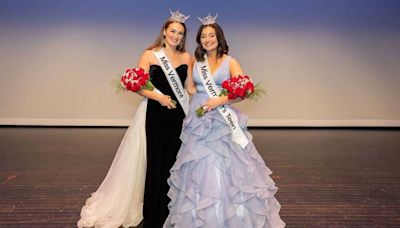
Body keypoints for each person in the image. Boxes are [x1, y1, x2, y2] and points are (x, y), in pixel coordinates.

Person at [163, 15, 286, 227]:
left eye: (212, 35)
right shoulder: (197, 61)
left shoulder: (231, 61)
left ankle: (228, 215)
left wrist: (220, 99)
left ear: (219, 37)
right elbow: (191, 88)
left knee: (225, 163)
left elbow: (244, 91)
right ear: (199, 40)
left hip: (221, 117)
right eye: (203, 36)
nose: (208, 39)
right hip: (199, 117)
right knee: (198, 163)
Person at [77, 10, 195, 228]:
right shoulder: (150, 54)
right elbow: (139, 86)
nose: (176, 36)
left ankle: (171, 210)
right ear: (164, 32)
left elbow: (189, 88)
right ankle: (153, 214)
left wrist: (213, 94)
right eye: (173, 31)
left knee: (174, 163)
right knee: (155, 162)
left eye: (180, 33)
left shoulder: (187, 57)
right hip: (156, 115)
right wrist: (159, 98)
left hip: (179, 116)